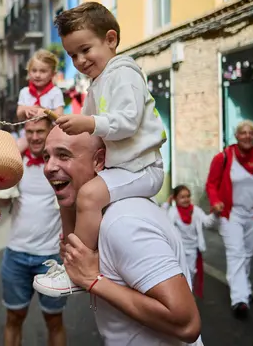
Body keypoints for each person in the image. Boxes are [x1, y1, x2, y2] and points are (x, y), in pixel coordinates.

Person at [33, 2, 166, 296]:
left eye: (85, 50)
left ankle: (78, 270)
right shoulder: (97, 81)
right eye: (72, 55)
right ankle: (71, 258)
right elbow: (89, 133)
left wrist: (87, 122)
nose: (79, 60)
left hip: (142, 169)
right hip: (120, 167)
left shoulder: (124, 73)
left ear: (110, 39)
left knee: (89, 195)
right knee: (69, 195)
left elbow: (127, 121)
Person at [43, 127, 201, 344]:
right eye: (46, 156)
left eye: (63, 155)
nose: (48, 167)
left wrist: (93, 280)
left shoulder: (123, 222)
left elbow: (187, 323)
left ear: (99, 161)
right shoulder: (100, 214)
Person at [0, 117, 67, 346]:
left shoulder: (61, 164)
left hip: (51, 257)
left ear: (50, 131)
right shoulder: (17, 162)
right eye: (30, 131)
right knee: (13, 318)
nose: (35, 137)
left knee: (54, 321)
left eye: (40, 131)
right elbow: (2, 203)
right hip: (16, 255)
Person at [205, 119, 253, 319]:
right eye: (243, 133)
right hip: (231, 214)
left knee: (247, 254)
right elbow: (211, 184)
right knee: (236, 254)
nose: (247, 136)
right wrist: (215, 201)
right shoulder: (223, 158)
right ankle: (239, 299)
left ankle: (245, 288)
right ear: (236, 135)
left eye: (251, 133)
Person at [166, 185, 222, 298]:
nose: (186, 199)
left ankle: (187, 299)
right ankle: (179, 299)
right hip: (178, 251)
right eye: (182, 197)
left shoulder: (196, 211)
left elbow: (207, 222)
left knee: (190, 274)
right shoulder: (172, 212)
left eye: (188, 196)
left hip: (193, 250)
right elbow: (167, 229)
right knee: (178, 275)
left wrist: (215, 214)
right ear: (175, 199)